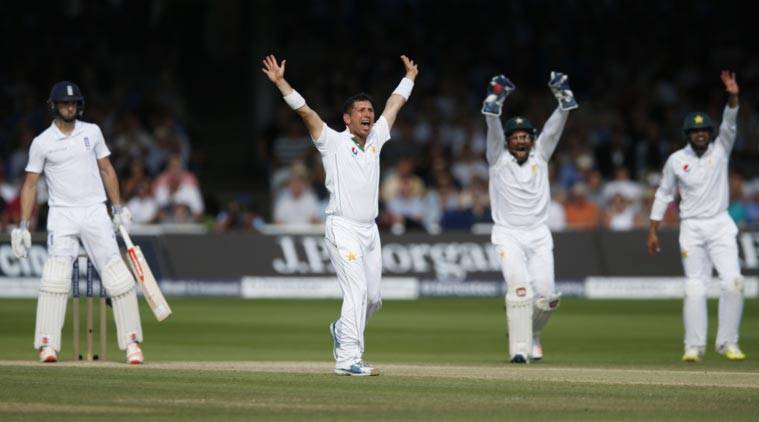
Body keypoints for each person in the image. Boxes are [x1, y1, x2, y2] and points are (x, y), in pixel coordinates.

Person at [262, 54, 418, 376]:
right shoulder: (332, 141)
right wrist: (280, 83)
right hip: (342, 225)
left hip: (370, 230)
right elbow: (305, 112)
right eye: (360, 111)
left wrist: (410, 78)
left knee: (373, 299)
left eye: (369, 111)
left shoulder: (376, 137)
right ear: (347, 119)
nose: (368, 114)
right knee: (356, 291)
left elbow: (394, 105)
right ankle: (348, 360)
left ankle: (341, 330)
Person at [10, 81, 145, 364]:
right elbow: (30, 185)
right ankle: (47, 345)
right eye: (64, 104)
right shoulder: (42, 142)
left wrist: (118, 207)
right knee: (56, 276)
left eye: (73, 103)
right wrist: (23, 224)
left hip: (95, 210)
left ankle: (132, 343)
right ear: (55, 106)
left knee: (118, 276)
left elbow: (107, 170)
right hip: (62, 214)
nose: (69, 108)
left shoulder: (92, 132)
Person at [647, 71, 746, 362]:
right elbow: (663, 194)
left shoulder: (721, 150)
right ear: (688, 134)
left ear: (710, 133)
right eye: (695, 131)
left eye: (704, 130)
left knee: (734, 282)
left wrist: (733, 96)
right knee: (695, 287)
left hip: (720, 223)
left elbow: (730, 122)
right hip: (691, 227)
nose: (700, 134)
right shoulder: (677, 160)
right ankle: (694, 347)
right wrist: (653, 231)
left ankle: (728, 343)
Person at [481, 71, 577, 363]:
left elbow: (553, 130)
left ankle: (531, 334)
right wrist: (494, 103)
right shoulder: (497, 158)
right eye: (516, 138)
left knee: (547, 298)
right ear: (508, 141)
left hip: (538, 233)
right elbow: (493, 125)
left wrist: (563, 104)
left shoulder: (540, 155)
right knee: (520, 291)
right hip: (508, 233)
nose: (521, 141)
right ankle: (520, 349)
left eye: (525, 137)